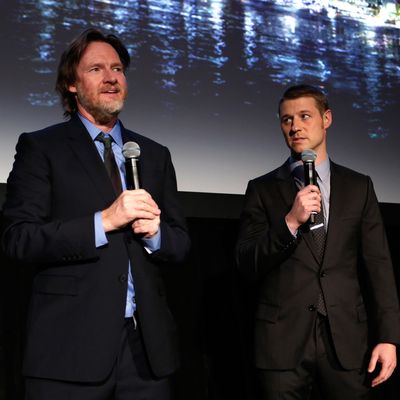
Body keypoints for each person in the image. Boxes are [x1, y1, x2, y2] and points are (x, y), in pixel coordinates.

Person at [1, 28, 190, 400]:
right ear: (71, 83)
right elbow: (18, 239)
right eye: (96, 69)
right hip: (68, 351)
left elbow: (180, 244)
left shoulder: (153, 153)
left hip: (145, 354)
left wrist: (155, 234)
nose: (111, 78)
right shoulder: (42, 147)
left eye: (117, 68)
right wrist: (103, 222)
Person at [236, 84, 400, 399]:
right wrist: (290, 222)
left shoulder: (358, 187)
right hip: (282, 343)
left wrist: (388, 338)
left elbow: (379, 266)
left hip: (346, 341)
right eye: (286, 120)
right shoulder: (262, 190)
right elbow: (246, 261)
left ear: (326, 119)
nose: (295, 126)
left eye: (304, 116)